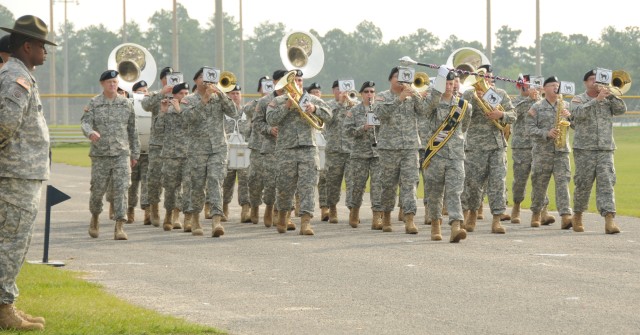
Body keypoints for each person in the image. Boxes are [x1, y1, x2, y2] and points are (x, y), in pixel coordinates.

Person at [0, 15, 55, 331]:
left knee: (16, 241)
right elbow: (5, 125)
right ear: (27, 46)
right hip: (14, 175)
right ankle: (3, 308)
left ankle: (7, 302)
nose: (46, 52)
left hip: (22, 174)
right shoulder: (15, 78)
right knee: (10, 242)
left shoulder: (21, 74)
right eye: (42, 46)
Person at [266, 69, 332, 235]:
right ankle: (282, 216)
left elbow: (330, 115)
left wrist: (314, 109)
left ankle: (306, 222)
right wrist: (287, 107)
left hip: (308, 148)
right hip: (286, 149)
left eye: (300, 81)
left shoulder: (312, 99)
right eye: (293, 80)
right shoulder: (278, 101)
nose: (296, 83)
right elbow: (271, 119)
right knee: (284, 186)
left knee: (308, 186)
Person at [81, 70, 140, 240]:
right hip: (100, 155)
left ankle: (120, 226)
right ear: (102, 84)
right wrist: (90, 132)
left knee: (122, 189)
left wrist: (134, 153)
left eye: (115, 82)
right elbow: (85, 122)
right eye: (109, 82)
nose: (113, 85)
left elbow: (132, 130)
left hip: (121, 154)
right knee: (97, 190)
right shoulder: (94, 103)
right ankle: (95, 218)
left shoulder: (126, 104)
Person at [569, 69, 627, 234]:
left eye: (599, 79)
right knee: (583, 184)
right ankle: (578, 215)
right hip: (584, 149)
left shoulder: (608, 98)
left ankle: (609, 220)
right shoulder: (578, 99)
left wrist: (609, 95)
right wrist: (596, 100)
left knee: (607, 184)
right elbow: (577, 114)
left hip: (605, 149)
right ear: (586, 82)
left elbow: (621, 109)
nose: (596, 82)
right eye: (592, 80)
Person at [181, 67, 237, 237]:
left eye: (210, 78)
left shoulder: (219, 98)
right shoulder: (188, 100)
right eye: (202, 78)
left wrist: (221, 94)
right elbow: (187, 118)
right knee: (197, 185)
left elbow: (234, 112)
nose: (207, 82)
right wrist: (203, 100)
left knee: (215, 182)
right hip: (197, 149)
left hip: (218, 148)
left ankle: (216, 221)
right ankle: (196, 219)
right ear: (196, 81)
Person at [462, 64, 516, 234]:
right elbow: (460, 112)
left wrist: (502, 115)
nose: (486, 79)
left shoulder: (500, 94)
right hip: (475, 146)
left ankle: (497, 220)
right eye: (482, 76)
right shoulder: (469, 94)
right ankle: (471, 215)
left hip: (497, 146)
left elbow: (513, 115)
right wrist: (473, 98)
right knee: (473, 183)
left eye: (488, 76)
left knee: (497, 183)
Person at [375, 66, 426, 234]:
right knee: (388, 185)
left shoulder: (413, 97)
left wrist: (414, 93)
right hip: (389, 148)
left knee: (410, 183)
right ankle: (387, 217)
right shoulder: (382, 96)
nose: (400, 80)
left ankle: (409, 219)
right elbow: (380, 114)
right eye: (397, 77)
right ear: (390, 79)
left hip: (410, 147)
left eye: (404, 77)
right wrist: (399, 99)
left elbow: (425, 111)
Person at [421, 72, 471, 242]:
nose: (449, 87)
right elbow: (424, 111)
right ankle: (436, 225)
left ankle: (456, 226)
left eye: (452, 83)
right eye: (446, 83)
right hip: (436, 155)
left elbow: (463, 128)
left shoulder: (464, 106)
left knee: (455, 191)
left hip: (456, 156)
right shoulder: (432, 105)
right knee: (435, 192)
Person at [525, 76, 573, 229]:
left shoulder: (565, 104)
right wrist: (546, 133)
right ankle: (536, 214)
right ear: (545, 88)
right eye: (552, 85)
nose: (556, 88)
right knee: (539, 184)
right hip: (542, 152)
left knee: (563, 184)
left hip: (561, 151)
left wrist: (570, 117)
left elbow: (576, 125)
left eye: (557, 85)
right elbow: (529, 129)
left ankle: (566, 216)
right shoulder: (536, 107)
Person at [510, 75, 554, 225]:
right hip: (522, 145)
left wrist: (540, 97)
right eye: (527, 85)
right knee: (520, 179)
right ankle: (516, 207)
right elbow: (515, 113)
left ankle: (543, 210)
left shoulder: (542, 102)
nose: (531, 88)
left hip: (540, 145)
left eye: (533, 85)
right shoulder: (516, 101)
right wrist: (530, 100)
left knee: (540, 179)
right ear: (521, 87)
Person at [343, 81, 383, 229]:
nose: (369, 94)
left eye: (372, 92)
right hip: (360, 153)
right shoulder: (354, 111)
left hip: (377, 153)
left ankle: (377, 216)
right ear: (361, 94)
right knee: (357, 185)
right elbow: (347, 131)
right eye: (366, 92)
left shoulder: (380, 109)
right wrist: (363, 127)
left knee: (378, 185)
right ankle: (354, 211)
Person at [252, 70, 288, 228]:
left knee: (287, 181)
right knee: (271, 182)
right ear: (274, 82)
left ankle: (282, 213)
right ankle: (268, 207)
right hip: (270, 147)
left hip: (289, 146)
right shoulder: (265, 101)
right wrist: (269, 130)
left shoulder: (294, 99)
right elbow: (257, 123)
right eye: (281, 80)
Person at [141, 66, 174, 227]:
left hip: (175, 145)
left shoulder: (182, 95)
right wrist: (162, 93)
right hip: (157, 144)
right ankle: (153, 208)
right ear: (162, 80)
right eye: (167, 77)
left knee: (174, 180)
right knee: (153, 179)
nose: (170, 80)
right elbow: (145, 105)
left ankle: (173, 212)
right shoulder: (155, 95)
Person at [159, 82, 191, 231]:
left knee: (189, 186)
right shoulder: (168, 110)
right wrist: (163, 112)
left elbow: (195, 125)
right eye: (181, 94)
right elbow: (158, 130)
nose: (184, 96)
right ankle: (168, 214)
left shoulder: (192, 110)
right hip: (171, 155)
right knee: (171, 187)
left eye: (186, 93)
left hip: (189, 154)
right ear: (174, 95)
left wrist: (180, 110)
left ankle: (184, 217)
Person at [324, 79, 355, 224]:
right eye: (338, 89)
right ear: (333, 91)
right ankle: (332, 208)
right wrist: (341, 104)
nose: (341, 92)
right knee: (333, 182)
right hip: (334, 150)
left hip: (351, 150)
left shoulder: (354, 104)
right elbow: (328, 120)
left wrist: (350, 103)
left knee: (353, 182)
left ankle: (352, 210)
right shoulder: (328, 105)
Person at [222, 84, 252, 223]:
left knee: (245, 180)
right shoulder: (222, 114)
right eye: (232, 94)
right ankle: (223, 207)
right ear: (227, 96)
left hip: (242, 151)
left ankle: (246, 209)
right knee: (226, 180)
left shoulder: (247, 114)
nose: (235, 96)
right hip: (226, 151)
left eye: (237, 94)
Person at [247, 75, 272, 225]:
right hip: (257, 146)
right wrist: (263, 100)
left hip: (273, 146)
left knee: (273, 180)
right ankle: (254, 207)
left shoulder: (278, 102)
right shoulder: (256, 104)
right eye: (265, 86)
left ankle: (272, 209)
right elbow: (247, 110)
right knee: (255, 179)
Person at [128, 80, 150, 224]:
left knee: (148, 183)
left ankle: (148, 212)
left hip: (148, 151)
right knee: (132, 183)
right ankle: (129, 210)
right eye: (140, 91)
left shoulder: (152, 105)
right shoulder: (129, 105)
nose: (143, 93)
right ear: (134, 92)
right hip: (133, 150)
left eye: (145, 90)